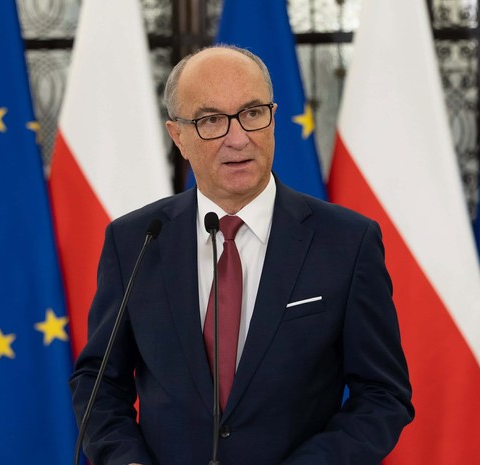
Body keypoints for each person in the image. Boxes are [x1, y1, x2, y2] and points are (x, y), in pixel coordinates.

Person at [70, 45, 413, 465]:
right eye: (212, 120)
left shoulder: (347, 242)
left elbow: (382, 394)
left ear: (273, 118)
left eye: (252, 113)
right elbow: (99, 383)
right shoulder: (136, 241)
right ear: (178, 136)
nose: (238, 138)